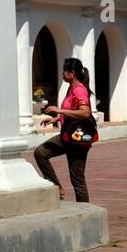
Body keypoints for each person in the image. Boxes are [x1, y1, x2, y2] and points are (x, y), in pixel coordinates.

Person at [33, 57, 94, 202]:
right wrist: (56, 119)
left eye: (64, 72)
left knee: (77, 180)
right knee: (40, 153)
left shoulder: (79, 90)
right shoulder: (71, 88)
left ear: (71, 73)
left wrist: (60, 111)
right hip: (67, 136)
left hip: (77, 139)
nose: (62, 74)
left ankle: (85, 213)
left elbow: (85, 113)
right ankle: (57, 188)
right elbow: (72, 111)